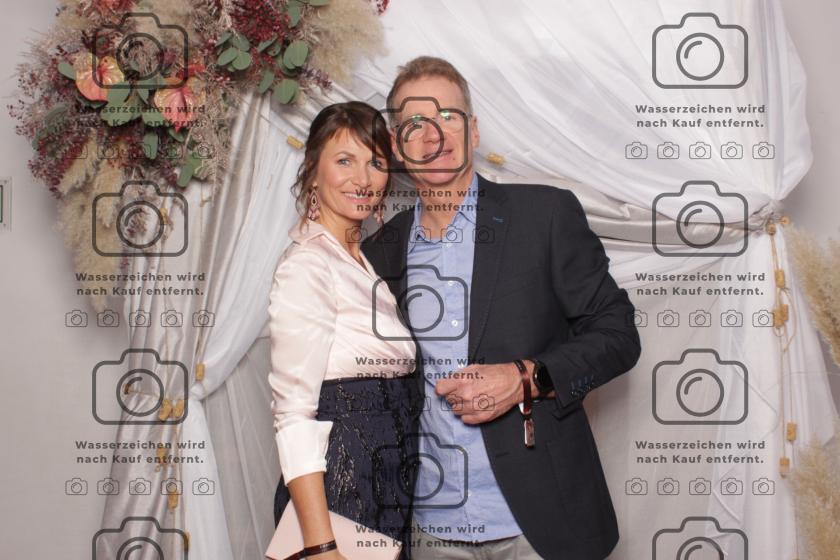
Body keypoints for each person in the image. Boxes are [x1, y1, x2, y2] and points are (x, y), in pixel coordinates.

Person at [362, 57, 642, 560]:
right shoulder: (380, 251)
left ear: (473, 130)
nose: (434, 135)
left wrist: (526, 377)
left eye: (448, 116)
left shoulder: (544, 214)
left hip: (542, 525)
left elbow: (619, 334)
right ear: (397, 145)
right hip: (429, 528)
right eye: (415, 123)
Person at [268, 101, 421, 560]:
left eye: (375, 162)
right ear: (313, 172)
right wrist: (320, 546)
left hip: (385, 487)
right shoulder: (307, 265)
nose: (363, 178)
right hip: (340, 493)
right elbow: (293, 415)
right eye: (344, 160)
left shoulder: (361, 261)